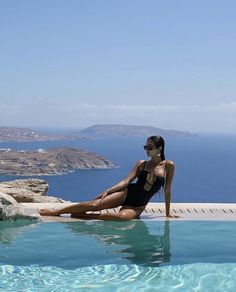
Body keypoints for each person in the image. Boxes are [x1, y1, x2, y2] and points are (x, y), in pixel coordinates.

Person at [39, 135, 177, 220]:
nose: (147, 150)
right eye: (145, 147)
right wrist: (109, 191)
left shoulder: (169, 165)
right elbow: (127, 181)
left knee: (122, 218)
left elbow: (167, 190)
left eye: (150, 147)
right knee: (94, 205)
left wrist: (167, 213)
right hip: (127, 193)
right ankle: (55, 212)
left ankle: (85, 216)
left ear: (160, 149)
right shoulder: (142, 163)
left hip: (138, 205)